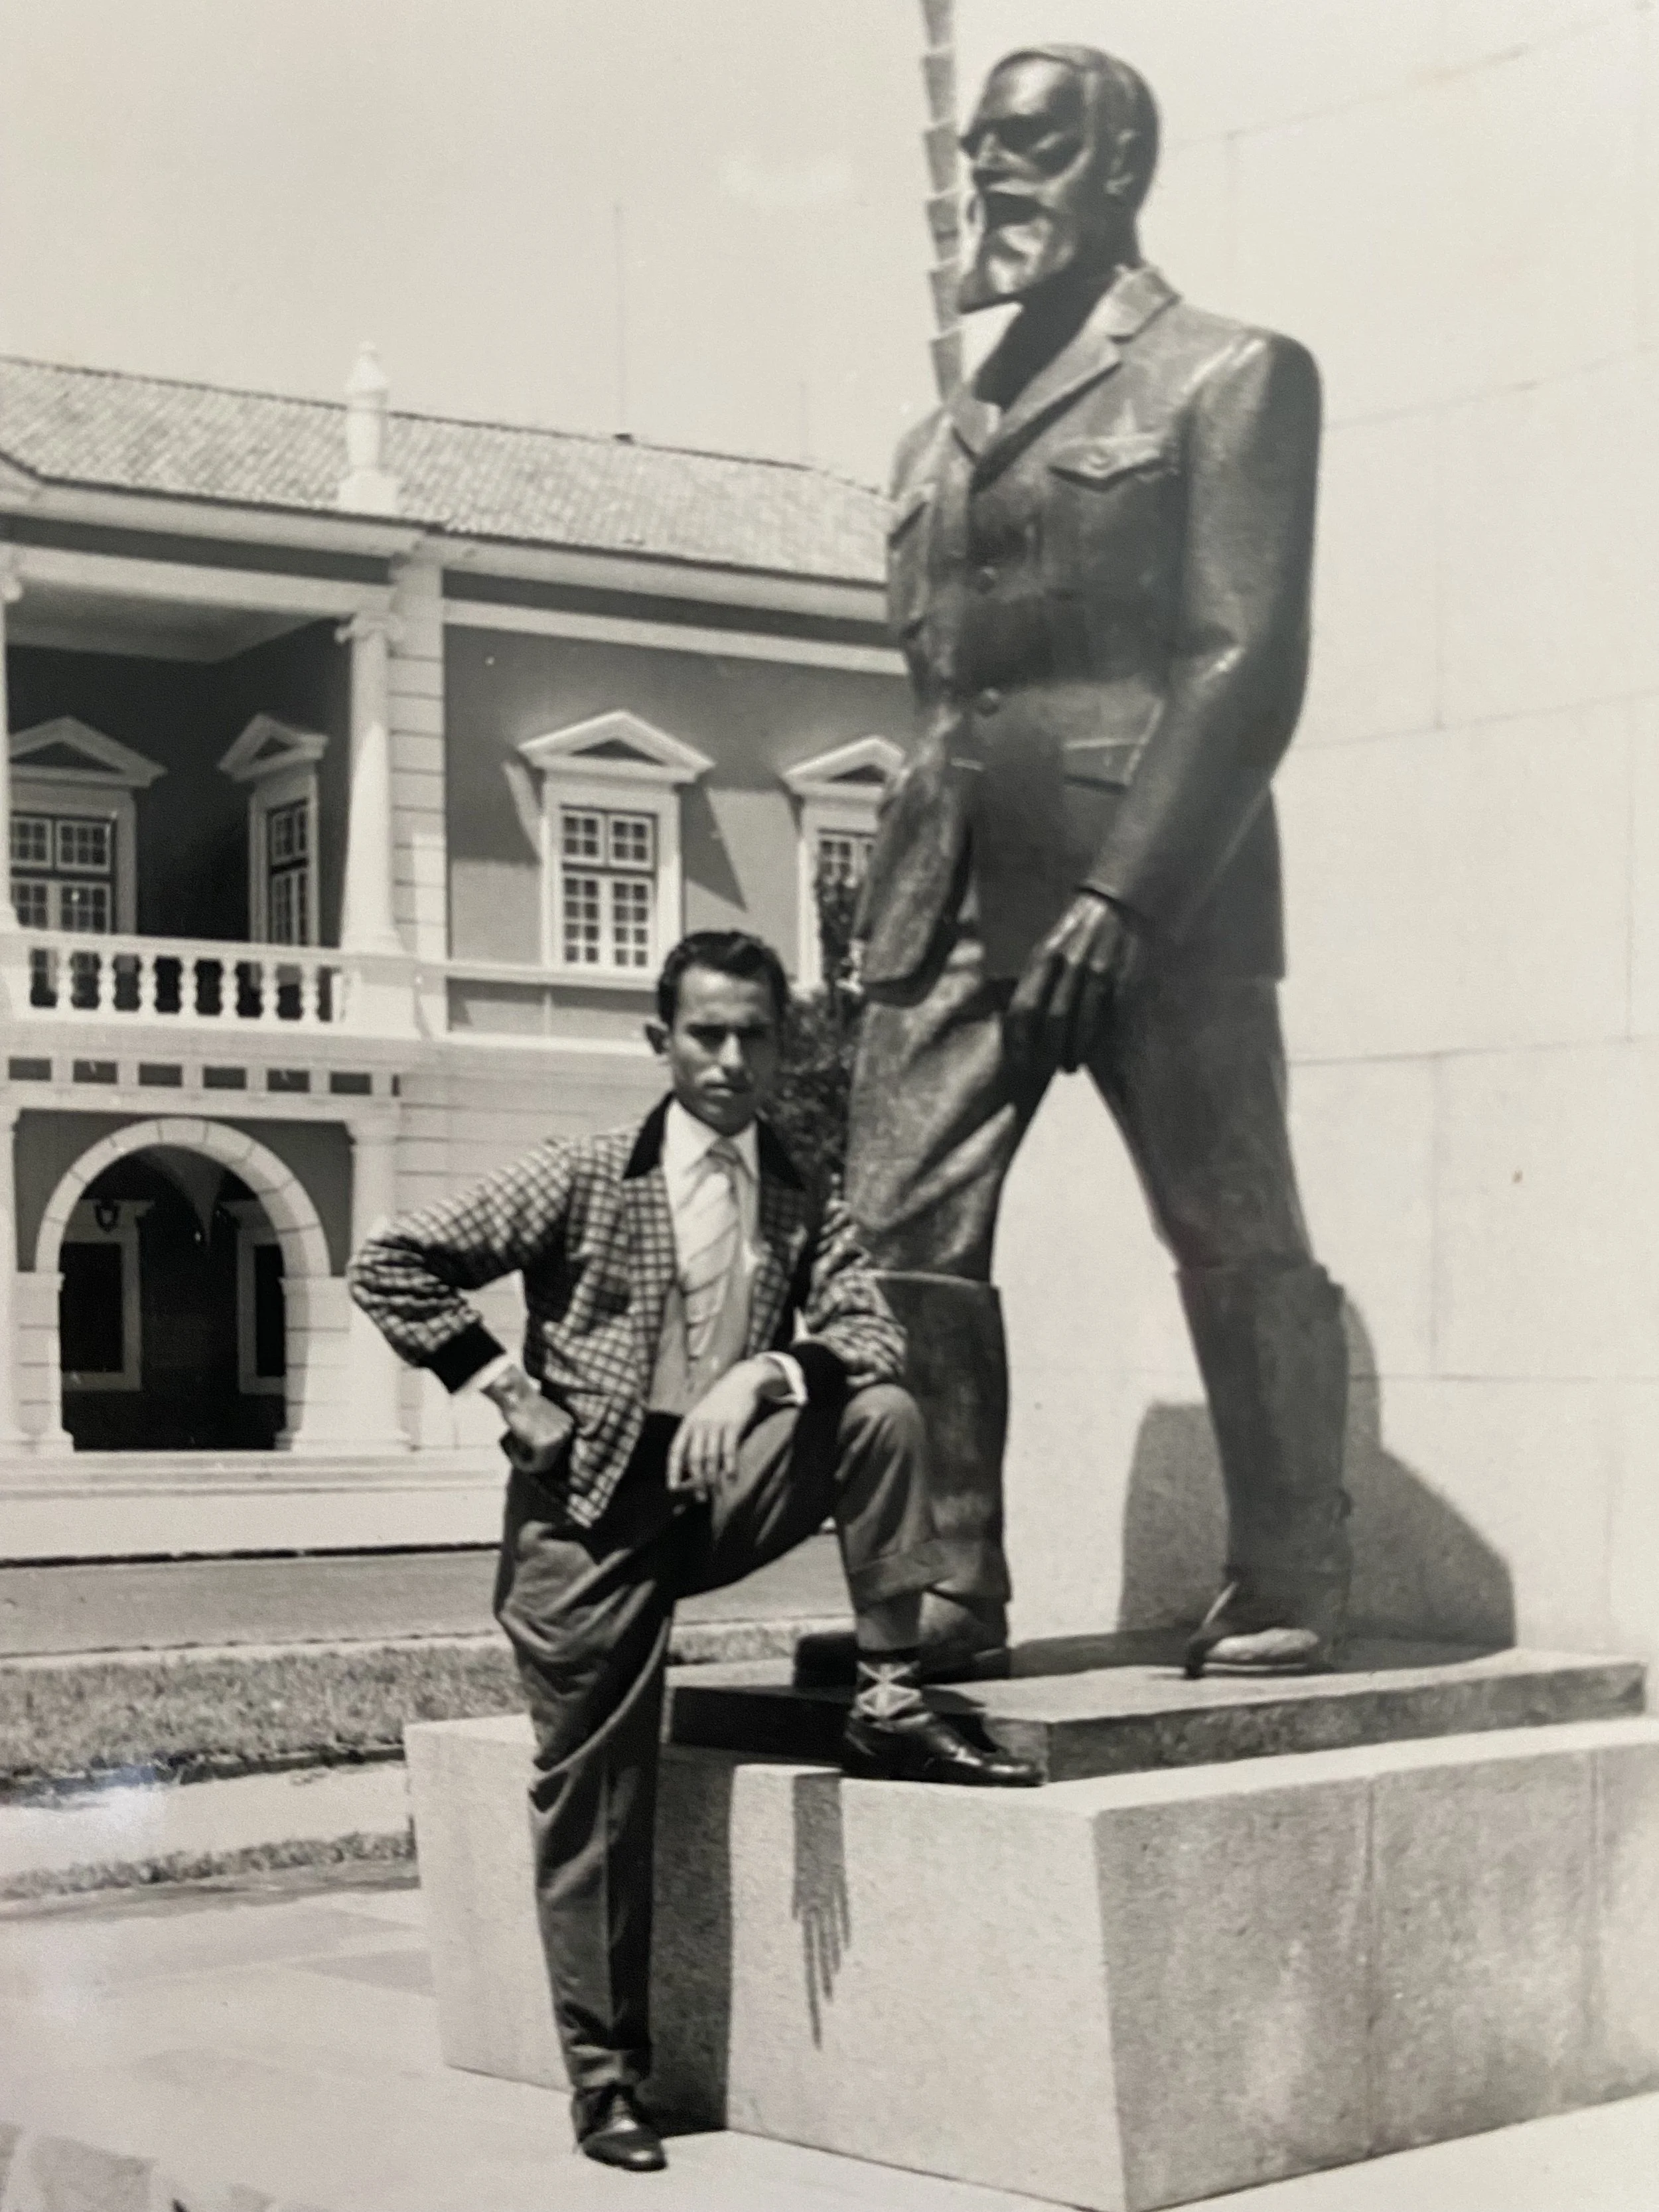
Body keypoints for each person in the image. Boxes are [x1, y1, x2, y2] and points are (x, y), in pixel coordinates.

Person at [348, 928, 1038, 2175]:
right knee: (598, 1798)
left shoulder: (798, 1190)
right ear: (660, 1040)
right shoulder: (580, 1174)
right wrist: (506, 1388)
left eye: (756, 1034)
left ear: (785, 1045)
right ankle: (607, 2083)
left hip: (715, 1491)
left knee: (877, 1412)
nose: (730, 1058)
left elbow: (871, 1336)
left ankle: (889, 1698)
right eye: (706, 1032)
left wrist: (765, 1375)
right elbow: (390, 1261)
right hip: (587, 1521)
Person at [840, 44, 1351, 1684]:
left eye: (1033, 144)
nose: (993, 175)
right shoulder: (936, 438)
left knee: (1230, 1224)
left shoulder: (1230, 374)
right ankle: (941, 1589)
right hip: (944, 892)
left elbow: (1239, 659)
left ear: (1118, 166)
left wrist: (1123, 895)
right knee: (891, 1231)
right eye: (977, 148)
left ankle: (1288, 1570)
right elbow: (945, 694)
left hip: (1161, 893)